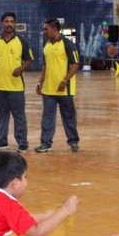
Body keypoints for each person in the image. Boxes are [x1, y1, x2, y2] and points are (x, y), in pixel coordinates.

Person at [0, 12, 34, 152]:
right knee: (1, 114)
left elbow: (30, 59)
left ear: (15, 24)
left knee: (19, 115)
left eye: (12, 21)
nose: (9, 24)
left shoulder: (21, 41)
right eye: (6, 21)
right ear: (2, 23)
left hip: (16, 87)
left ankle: (22, 142)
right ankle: (1, 141)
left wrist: (21, 68)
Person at [35, 18, 82, 153]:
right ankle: (46, 143)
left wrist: (65, 81)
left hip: (64, 89)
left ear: (54, 29)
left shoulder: (68, 44)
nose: (44, 31)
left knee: (68, 116)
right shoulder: (47, 46)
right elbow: (45, 66)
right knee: (47, 117)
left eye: (46, 29)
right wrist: (40, 82)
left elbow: (75, 64)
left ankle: (73, 142)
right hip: (49, 90)